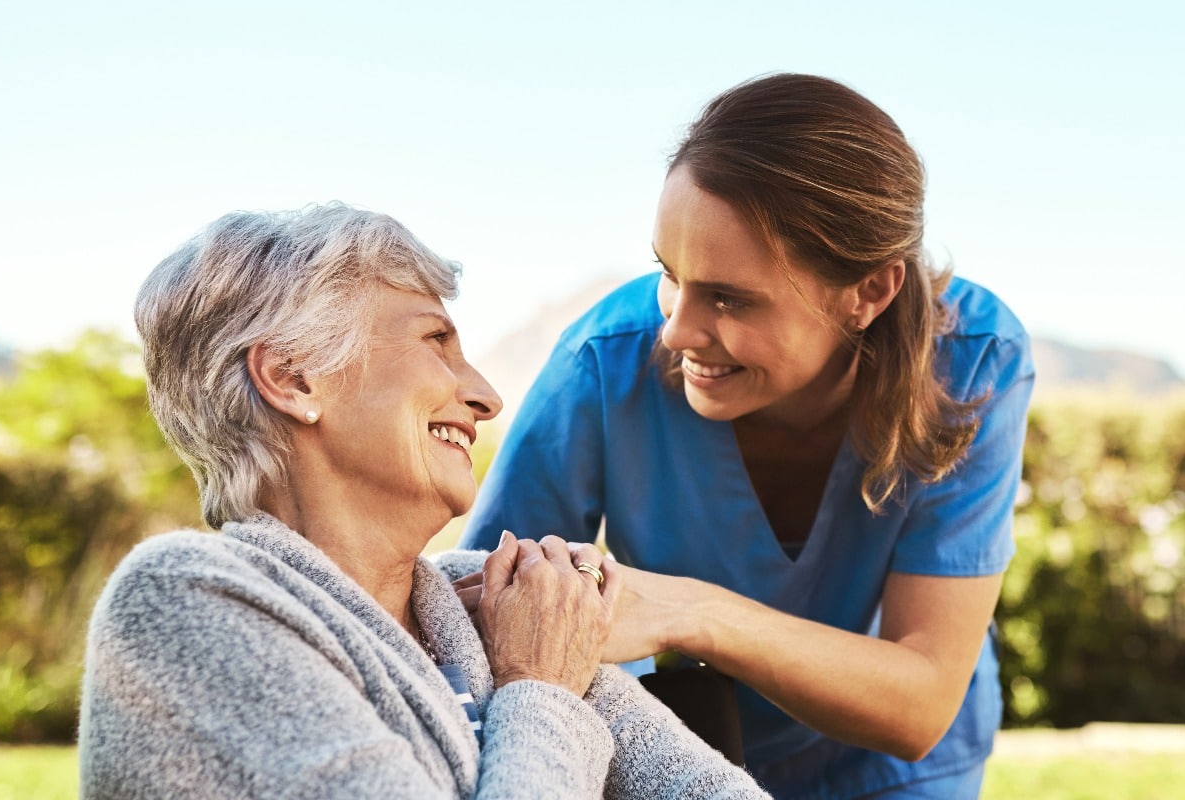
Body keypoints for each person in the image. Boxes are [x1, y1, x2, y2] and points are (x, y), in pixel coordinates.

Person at [462, 74, 1035, 798]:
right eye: (670, 275)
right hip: (684, 751)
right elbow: (487, 612)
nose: (675, 331)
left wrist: (693, 613)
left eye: (730, 298)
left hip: (895, 773)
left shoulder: (976, 362)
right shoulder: (605, 362)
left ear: (868, 293)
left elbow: (919, 700)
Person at [78, 204, 767, 799]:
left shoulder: (483, 603)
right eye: (437, 342)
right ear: (293, 378)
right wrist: (542, 688)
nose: (486, 397)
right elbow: (547, 690)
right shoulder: (181, 604)